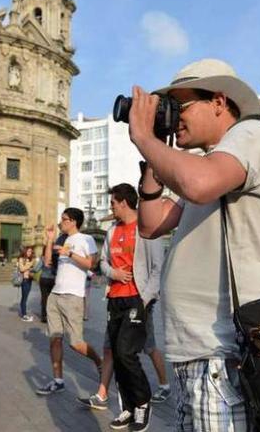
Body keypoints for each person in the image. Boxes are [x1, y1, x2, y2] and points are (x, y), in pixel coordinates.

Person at [131, 59, 260, 431]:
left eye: (179, 106)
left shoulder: (251, 134)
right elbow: (152, 225)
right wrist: (154, 153)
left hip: (223, 350)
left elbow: (199, 184)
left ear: (218, 101)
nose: (173, 116)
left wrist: (145, 138)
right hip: (199, 351)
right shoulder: (210, 164)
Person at [77, 183, 166, 431]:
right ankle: (128, 408)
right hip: (114, 298)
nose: (111, 207)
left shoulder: (147, 227)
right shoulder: (111, 231)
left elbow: (158, 268)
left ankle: (143, 403)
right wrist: (112, 272)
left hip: (137, 299)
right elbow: (102, 262)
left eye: (113, 203)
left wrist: (144, 299)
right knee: (116, 354)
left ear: (124, 202)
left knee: (127, 353)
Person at [36, 208, 102, 396]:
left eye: (64, 219)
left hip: (73, 295)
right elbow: (48, 262)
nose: (61, 222)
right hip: (56, 294)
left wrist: (69, 253)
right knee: (54, 338)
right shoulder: (61, 239)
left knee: (75, 343)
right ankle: (58, 380)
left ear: (73, 221)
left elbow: (91, 264)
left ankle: (100, 362)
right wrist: (50, 240)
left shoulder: (85, 239)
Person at [37, 228, 65, 324]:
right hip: (53, 279)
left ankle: (44, 316)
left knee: (44, 298)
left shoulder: (43, 258)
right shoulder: (56, 258)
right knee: (52, 298)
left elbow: (37, 268)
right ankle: (51, 315)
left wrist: (31, 270)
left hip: (44, 279)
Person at [17, 246, 37, 322]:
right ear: (25, 251)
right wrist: (30, 264)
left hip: (30, 279)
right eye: (28, 251)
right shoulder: (21, 259)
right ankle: (24, 315)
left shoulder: (30, 259)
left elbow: (33, 269)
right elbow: (22, 269)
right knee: (24, 298)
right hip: (24, 280)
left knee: (26, 297)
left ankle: (24, 313)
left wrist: (33, 266)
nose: (30, 253)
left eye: (31, 252)